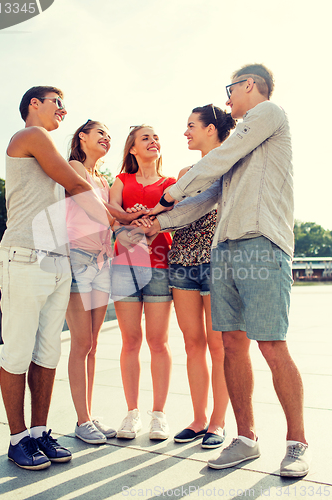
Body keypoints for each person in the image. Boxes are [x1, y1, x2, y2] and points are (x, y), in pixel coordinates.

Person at [148, 64, 309, 477]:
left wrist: (167, 193)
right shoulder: (240, 144)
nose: (227, 100)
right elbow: (206, 199)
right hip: (224, 249)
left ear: (250, 85)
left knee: (271, 344)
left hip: (260, 244)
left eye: (231, 89)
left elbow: (218, 158)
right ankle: (246, 439)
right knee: (233, 346)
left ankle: (296, 444)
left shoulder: (268, 114)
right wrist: (156, 219)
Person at [0, 87, 146, 470]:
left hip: (57, 260)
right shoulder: (31, 136)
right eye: (56, 102)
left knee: (47, 352)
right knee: (17, 351)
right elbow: (79, 187)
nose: (63, 109)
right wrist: (122, 221)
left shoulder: (51, 151)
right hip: (25, 255)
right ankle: (17, 438)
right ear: (34, 105)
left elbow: (87, 193)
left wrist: (126, 219)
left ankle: (38, 431)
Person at [168, 105, 236, 448]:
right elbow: (175, 213)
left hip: (216, 260)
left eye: (191, 125)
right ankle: (197, 419)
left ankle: (218, 421)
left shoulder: (232, 162)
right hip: (182, 260)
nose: (186, 132)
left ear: (211, 128)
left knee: (219, 344)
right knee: (192, 344)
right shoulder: (186, 171)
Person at [109, 125, 176, 440]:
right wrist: (129, 219)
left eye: (156, 136)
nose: (154, 141)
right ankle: (132, 413)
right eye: (146, 137)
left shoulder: (171, 183)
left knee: (158, 342)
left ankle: (159, 415)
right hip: (125, 267)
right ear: (132, 149)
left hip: (161, 266)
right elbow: (112, 219)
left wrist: (152, 218)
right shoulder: (121, 181)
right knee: (131, 342)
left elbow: (177, 222)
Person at [65, 120, 116, 444]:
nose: (106, 139)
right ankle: (81, 420)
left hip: (101, 261)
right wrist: (124, 217)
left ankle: (89, 415)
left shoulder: (102, 179)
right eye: (100, 133)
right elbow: (100, 213)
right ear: (82, 137)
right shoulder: (73, 168)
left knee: (93, 345)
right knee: (81, 342)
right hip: (78, 258)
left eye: (109, 136)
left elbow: (109, 218)